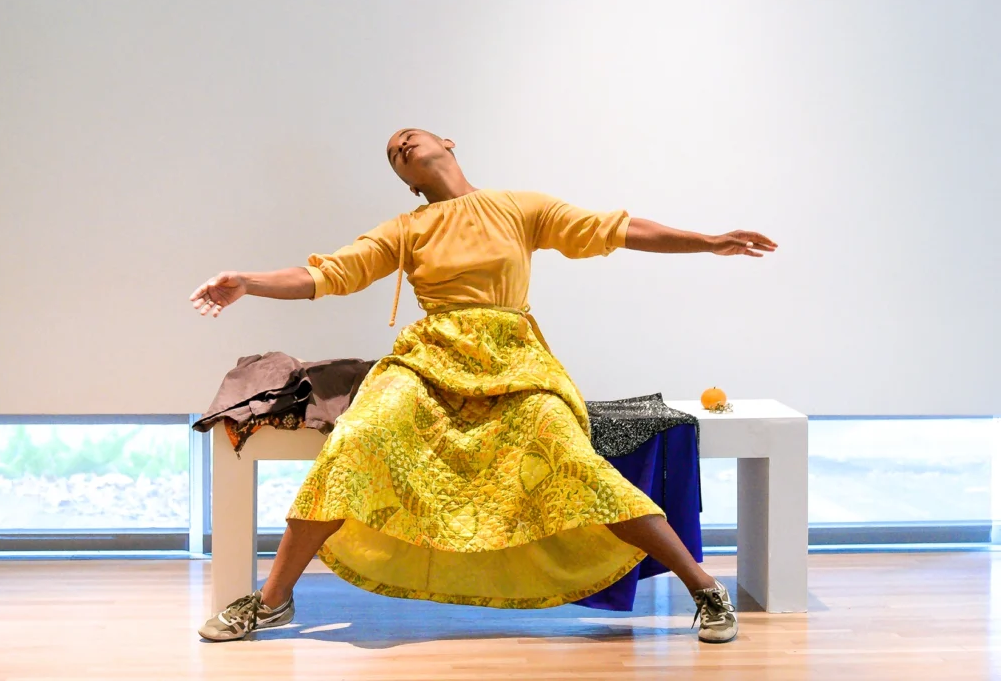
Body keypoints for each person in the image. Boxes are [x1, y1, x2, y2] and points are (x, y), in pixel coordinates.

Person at [190, 129, 777, 644]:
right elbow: (326, 274)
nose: (401, 144)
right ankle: (271, 602)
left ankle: (705, 589)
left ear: (449, 144)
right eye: (394, 153)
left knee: (572, 457)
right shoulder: (407, 227)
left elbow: (615, 228)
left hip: (515, 362)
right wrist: (248, 280)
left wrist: (706, 240)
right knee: (356, 438)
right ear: (407, 183)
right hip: (428, 363)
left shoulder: (518, 207)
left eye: (411, 137)